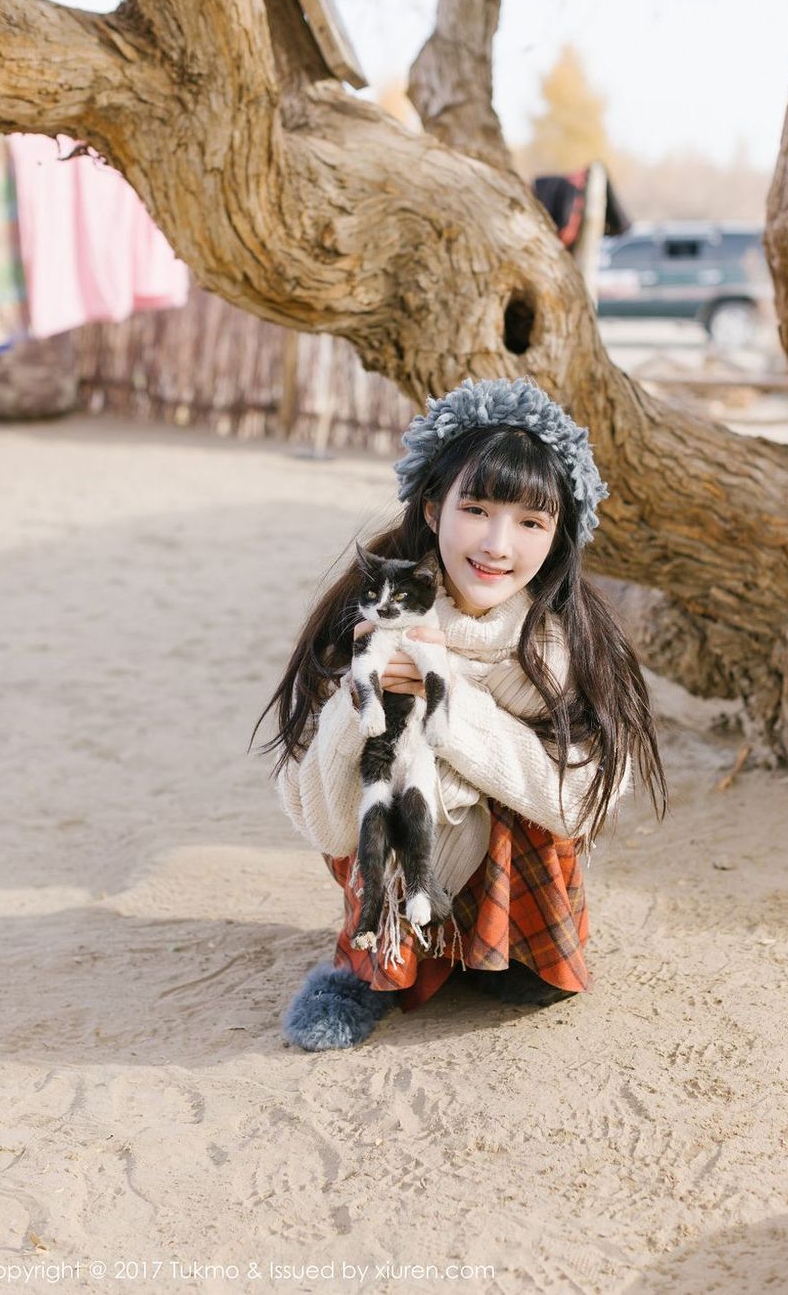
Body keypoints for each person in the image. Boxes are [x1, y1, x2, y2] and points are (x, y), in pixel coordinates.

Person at [253, 376, 667, 1051]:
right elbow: (328, 827)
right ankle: (377, 959)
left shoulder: (563, 646)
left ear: (560, 536)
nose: (498, 545)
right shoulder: (371, 616)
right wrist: (360, 709)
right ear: (431, 506)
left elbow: (582, 805)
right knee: (393, 785)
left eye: (531, 522)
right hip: (384, 849)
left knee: (514, 790)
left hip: (510, 885)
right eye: (476, 508)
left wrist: (450, 700)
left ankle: (505, 947)